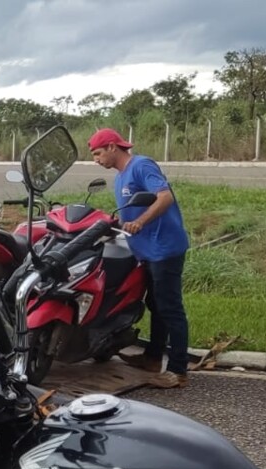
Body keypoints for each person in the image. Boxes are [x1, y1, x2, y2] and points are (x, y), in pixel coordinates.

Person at [88, 128, 189, 389]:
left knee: (170, 308)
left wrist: (140, 222)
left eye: (98, 153)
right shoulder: (121, 177)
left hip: (164, 249)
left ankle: (178, 370)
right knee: (156, 305)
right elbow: (126, 215)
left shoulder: (141, 166)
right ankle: (153, 358)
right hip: (147, 252)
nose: (96, 160)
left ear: (112, 147)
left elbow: (164, 197)